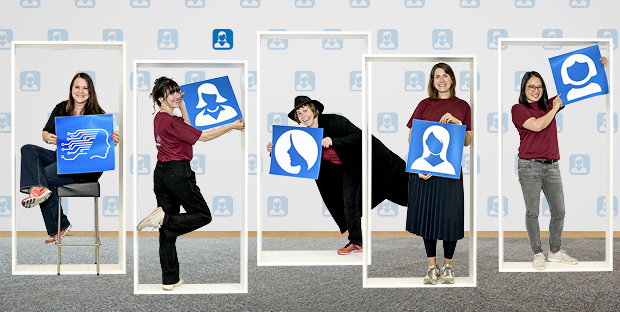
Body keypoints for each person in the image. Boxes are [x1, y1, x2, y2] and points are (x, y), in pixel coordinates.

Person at [136, 77, 244, 291]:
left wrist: (182, 104)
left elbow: (187, 126)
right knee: (203, 215)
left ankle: (169, 279)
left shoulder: (160, 118)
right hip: (178, 173)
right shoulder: (172, 121)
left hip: (161, 174)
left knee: (166, 234)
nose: (176, 96)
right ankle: (165, 219)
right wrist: (232, 125)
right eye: (171, 93)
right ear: (160, 98)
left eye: (177, 91)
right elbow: (202, 136)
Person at [267, 96, 409, 255]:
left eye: (305, 110)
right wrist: (275, 151)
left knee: (400, 188)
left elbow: (360, 135)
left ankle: (428, 207)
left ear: (314, 110)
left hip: (363, 160)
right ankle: (356, 242)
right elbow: (293, 157)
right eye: (299, 114)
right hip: (345, 170)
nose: (303, 115)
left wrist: (334, 141)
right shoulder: (304, 136)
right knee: (347, 203)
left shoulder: (334, 121)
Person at [511, 57, 607, 270]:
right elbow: (536, 126)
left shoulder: (549, 104)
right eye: (531, 86)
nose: (535, 90)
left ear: (543, 88)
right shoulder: (518, 109)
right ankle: (537, 253)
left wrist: (597, 66)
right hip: (529, 166)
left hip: (552, 165)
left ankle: (554, 252)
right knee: (532, 212)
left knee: (559, 210)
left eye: (539, 86)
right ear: (524, 89)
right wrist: (553, 109)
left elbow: (575, 89)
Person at [20, 72, 120, 244]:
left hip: (86, 169)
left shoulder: (97, 113)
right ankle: (40, 190)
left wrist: (113, 142)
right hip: (64, 159)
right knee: (28, 150)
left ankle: (57, 223)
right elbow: (45, 131)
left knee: (42, 177)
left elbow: (103, 145)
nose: (80, 91)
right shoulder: (62, 108)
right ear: (71, 89)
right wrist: (48, 138)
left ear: (90, 91)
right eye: (77, 87)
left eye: (85, 88)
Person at [406, 63, 472, 285]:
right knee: (428, 218)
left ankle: (448, 267)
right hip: (424, 171)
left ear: (452, 79)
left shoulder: (463, 106)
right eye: (436, 77)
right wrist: (420, 168)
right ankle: (432, 267)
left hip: (450, 172)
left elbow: (467, 141)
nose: (441, 80)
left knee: (450, 218)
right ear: (432, 81)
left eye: (445, 76)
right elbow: (412, 139)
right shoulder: (424, 104)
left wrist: (458, 124)